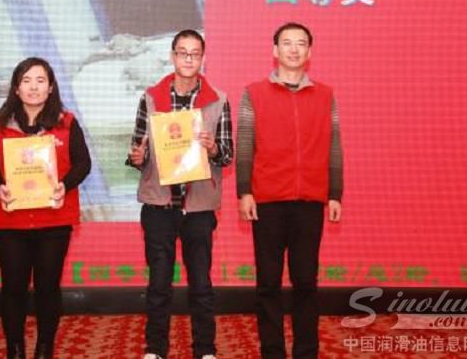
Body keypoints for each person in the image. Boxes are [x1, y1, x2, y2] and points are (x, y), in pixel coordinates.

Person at [236, 22, 343, 359]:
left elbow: (334, 145)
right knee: (268, 283)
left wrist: (335, 193)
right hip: (267, 200)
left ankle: (306, 352)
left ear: (309, 52)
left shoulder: (325, 95)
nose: (293, 49)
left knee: (306, 281)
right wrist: (244, 191)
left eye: (300, 43)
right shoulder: (254, 93)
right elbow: (245, 144)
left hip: (310, 201)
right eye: (286, 42)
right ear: (275, 50)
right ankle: (272, 352)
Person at [127, 30, 233, 359]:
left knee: (201, 284)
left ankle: (205, 349)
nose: (188, 59)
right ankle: (155, 348)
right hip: (159, 205)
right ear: (172, 56)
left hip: (198, 207)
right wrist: (137, 157)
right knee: (159, 284)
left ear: (203, 58)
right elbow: (137, 149)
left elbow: (227, 155)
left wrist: (212, 148)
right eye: (182, 52)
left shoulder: (218, 100)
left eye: (194, 53)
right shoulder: (150, 97)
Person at [0, 57, 91, 359]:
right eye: (26, 80)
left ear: (51, 87)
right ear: (16, 88)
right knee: (13, 287)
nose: (33, 87)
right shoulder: (1, 125)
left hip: (54, 220)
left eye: (40, 80)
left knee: (47, 287)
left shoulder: (66, 122)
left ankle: (45, 350)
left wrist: (64, 185)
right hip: (11, 222)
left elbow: (83, 163)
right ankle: (15, 350)